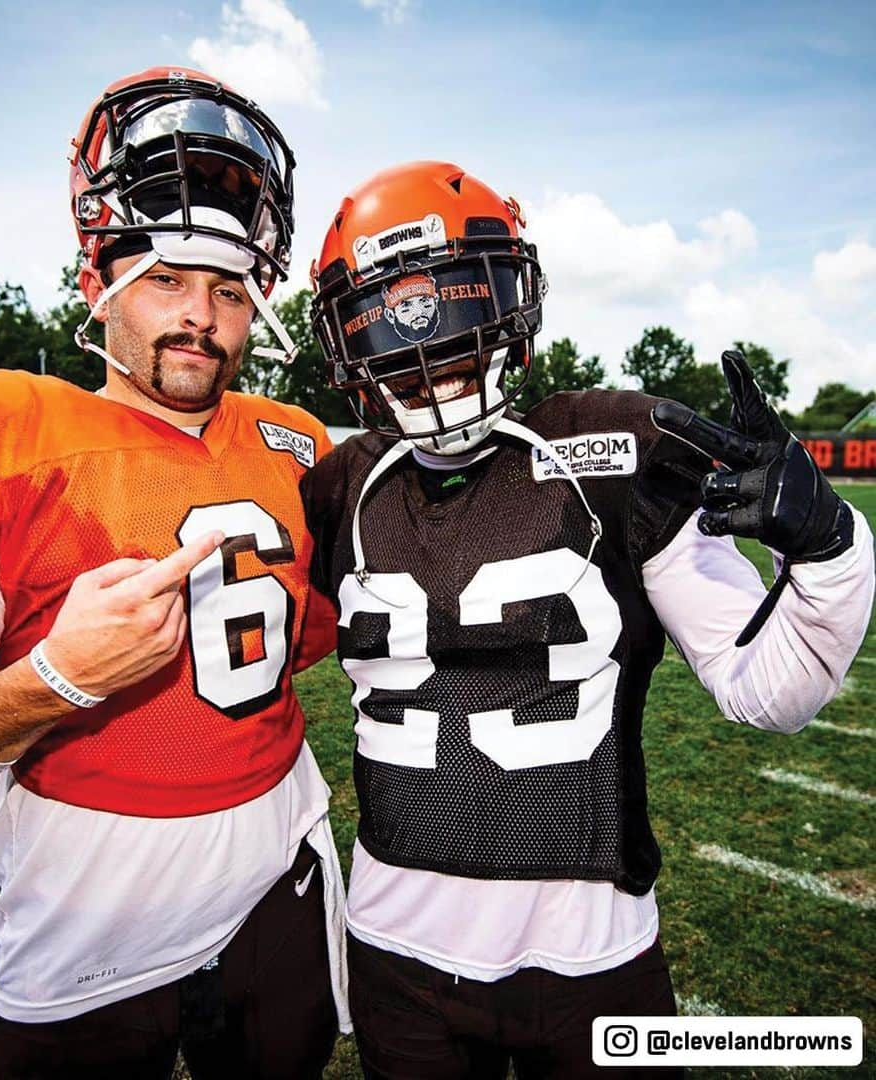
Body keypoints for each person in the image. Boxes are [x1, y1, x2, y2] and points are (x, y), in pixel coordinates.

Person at [0, 65, 347, 1079]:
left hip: (277, 876)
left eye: (229, 287)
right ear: (94, 283)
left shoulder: (295, 439)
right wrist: (55, 679)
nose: (200, 314)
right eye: (165, 277)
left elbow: (311, 638)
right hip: (89, 916)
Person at [302, 160, 874, 1079]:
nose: (427, 349)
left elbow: (769, 693)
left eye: (453, 306)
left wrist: (830, 549)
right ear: (348, 342)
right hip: (395, 952)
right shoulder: (338, 487)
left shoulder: (612, 454)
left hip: (591, 953)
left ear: (510, 300)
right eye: (390, 319)